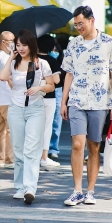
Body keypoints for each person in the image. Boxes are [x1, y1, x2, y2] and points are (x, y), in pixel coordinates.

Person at [60, 5, 112, 206]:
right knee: (77, 144)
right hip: (77, 100)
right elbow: (68, 73)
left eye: (81, 23)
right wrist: (64, 101)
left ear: (91, 20)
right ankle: (77, 190)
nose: (78, 27)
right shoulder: (73, 45)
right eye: (76, 24)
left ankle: (90, 191)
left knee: (94, 146)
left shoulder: (110, 43)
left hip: (100, 102)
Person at [0, 29, 55, 204]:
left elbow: (52, 86)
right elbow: (2, 76)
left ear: (31, 45)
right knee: (18, 149)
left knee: (31, 149)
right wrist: (10, 57)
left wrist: (39, 88)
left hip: (35, 108)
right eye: (18, 45)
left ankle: (30, 188)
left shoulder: (41, 63)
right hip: (15, 108)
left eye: (24, 45)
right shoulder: (14, 63)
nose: (21, 48)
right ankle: (20, 187)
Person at [0, 31, 15, 168]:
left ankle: (0, 159)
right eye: (11, 40)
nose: (13, 42)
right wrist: (17, 91)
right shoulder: (5, 58)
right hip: (7, 97)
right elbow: (9, 77)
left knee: (0, 130)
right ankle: (9, 159)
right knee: (10, 130)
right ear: (4, 42)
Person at [37, 35, 62, 168]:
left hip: (33, 96)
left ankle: (32, 156)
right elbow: (57, 80)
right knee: (47, 127)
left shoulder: (31, 59)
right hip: (48, 97)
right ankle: (44, 157)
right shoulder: (52, 60)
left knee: (32, 127)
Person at [48, 42, 65, 161]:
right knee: (45, 121)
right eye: (52, 50)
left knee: (56, 122)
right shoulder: (44, 61)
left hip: (58, 90)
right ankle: (45, 148)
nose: (54, 53)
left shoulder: (62, 64)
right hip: (47, 89)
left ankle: (53, 149)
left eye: (56, 51)